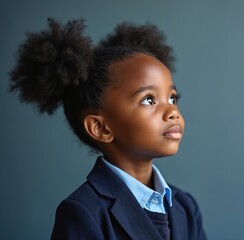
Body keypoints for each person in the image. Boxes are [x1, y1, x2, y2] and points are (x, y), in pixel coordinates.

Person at [9, 18, 206, 240]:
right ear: (101, 128)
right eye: (149, 100)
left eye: (172, 97)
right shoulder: (83, 213)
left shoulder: (186, 207)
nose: (172, 111)